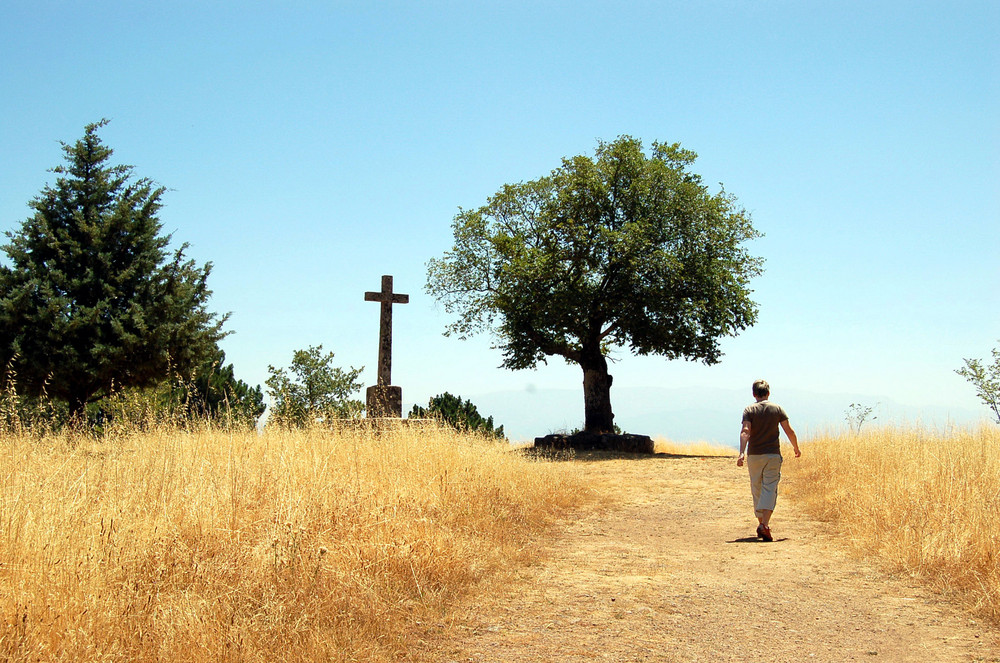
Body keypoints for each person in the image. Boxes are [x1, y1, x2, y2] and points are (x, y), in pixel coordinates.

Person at [736, 379, 800, 542]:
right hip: (772, 455)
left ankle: (761, 523)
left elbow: (745, 431)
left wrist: (741, 452)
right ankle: (764, 524)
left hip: (755, 455)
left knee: (756, 487)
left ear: (754, 394)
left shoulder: (749, 410)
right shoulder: (777, 409)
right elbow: (789, 430)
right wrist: (796, 447)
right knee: (769, 488)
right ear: (768, 393)